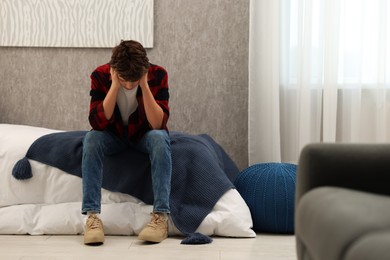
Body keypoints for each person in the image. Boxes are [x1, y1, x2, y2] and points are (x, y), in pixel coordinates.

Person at [81, 40, 172, 245]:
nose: (129, 85)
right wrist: (115, 85)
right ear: (114, 70)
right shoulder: (100, 75)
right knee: (91, 139)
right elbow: (97, 123)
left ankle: (160, 217)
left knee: (159, 138)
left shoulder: (158, 75)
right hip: (113, 136)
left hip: (144, 135)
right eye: (124, 79)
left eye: (134, 80)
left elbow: (158, 124)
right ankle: (92, 217)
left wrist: (145, 85)